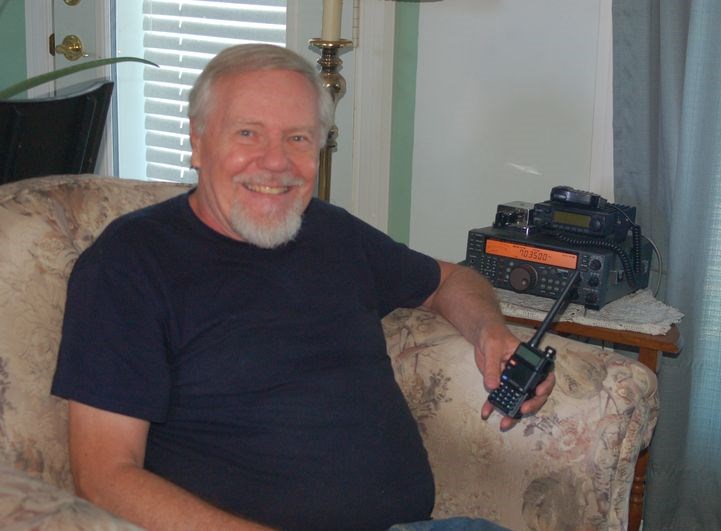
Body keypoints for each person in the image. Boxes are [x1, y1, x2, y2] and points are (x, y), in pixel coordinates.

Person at [51, 44, 555, 531]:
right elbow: (104, 477)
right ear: (198, 142)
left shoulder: (329, 232)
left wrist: (490, 332)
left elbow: (450, 279)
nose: (276, 162)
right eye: (248, 133)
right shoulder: (131, 262)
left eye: (297, 138)